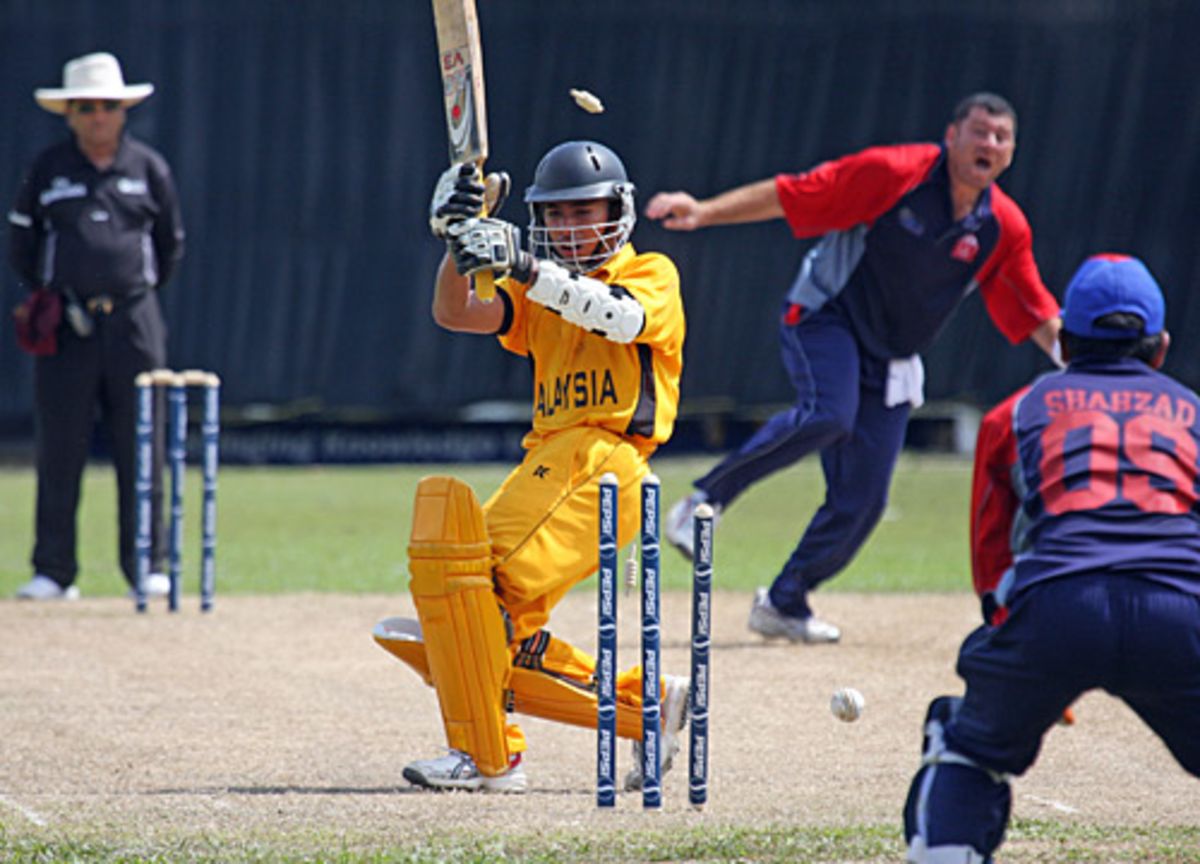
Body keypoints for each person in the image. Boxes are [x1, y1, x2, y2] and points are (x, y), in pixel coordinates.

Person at [646, 92, 1061, 643]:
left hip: (891, 359)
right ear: (951, 135)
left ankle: (785, 601)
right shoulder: (895, 173)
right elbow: (792, 195)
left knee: (864, 500)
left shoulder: (1002, 227)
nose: (989, 144)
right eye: (979, 131)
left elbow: (1035, 308)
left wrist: (1097, 366)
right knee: (829, 414)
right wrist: (703, 211)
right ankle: (703, 500)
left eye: (1001, 137)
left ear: (1011, 153)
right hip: (825, 317)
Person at [374, 141, 688, 793]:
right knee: (485, 624)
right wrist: (456, 238)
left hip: (605, 459)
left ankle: (487, 755)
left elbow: (621, 318)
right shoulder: (538, 289)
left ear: (619, 208)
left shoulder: (651, 272)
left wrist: (519, 260)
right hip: (551, 461)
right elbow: (455, 310)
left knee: (468, 589)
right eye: (559, 215)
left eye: (585, 211)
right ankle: (642, 709)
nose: (572, 227)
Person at [902, 254, 1200, 862]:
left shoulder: (1014, 413)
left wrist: (1028, 661)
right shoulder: (1193, 412)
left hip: (1059, 603)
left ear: (1063, 341)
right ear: (1161, 349)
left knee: (967, 748)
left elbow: (994, 562)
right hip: (1180, 610)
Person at [8, 52, 184, 600]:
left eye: (108, 106)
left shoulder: (147, 167)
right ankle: (54, 571)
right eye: (86, 107)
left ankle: (147, 566)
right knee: (60, 445)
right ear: (69, 113)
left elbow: (170, 245)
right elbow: (22, 247)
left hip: (134, 320)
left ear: (124, 110)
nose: (98, 116)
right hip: (68, 323)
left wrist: (131, 290)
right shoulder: (48, 169)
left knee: (144, 442)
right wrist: (55, 293)